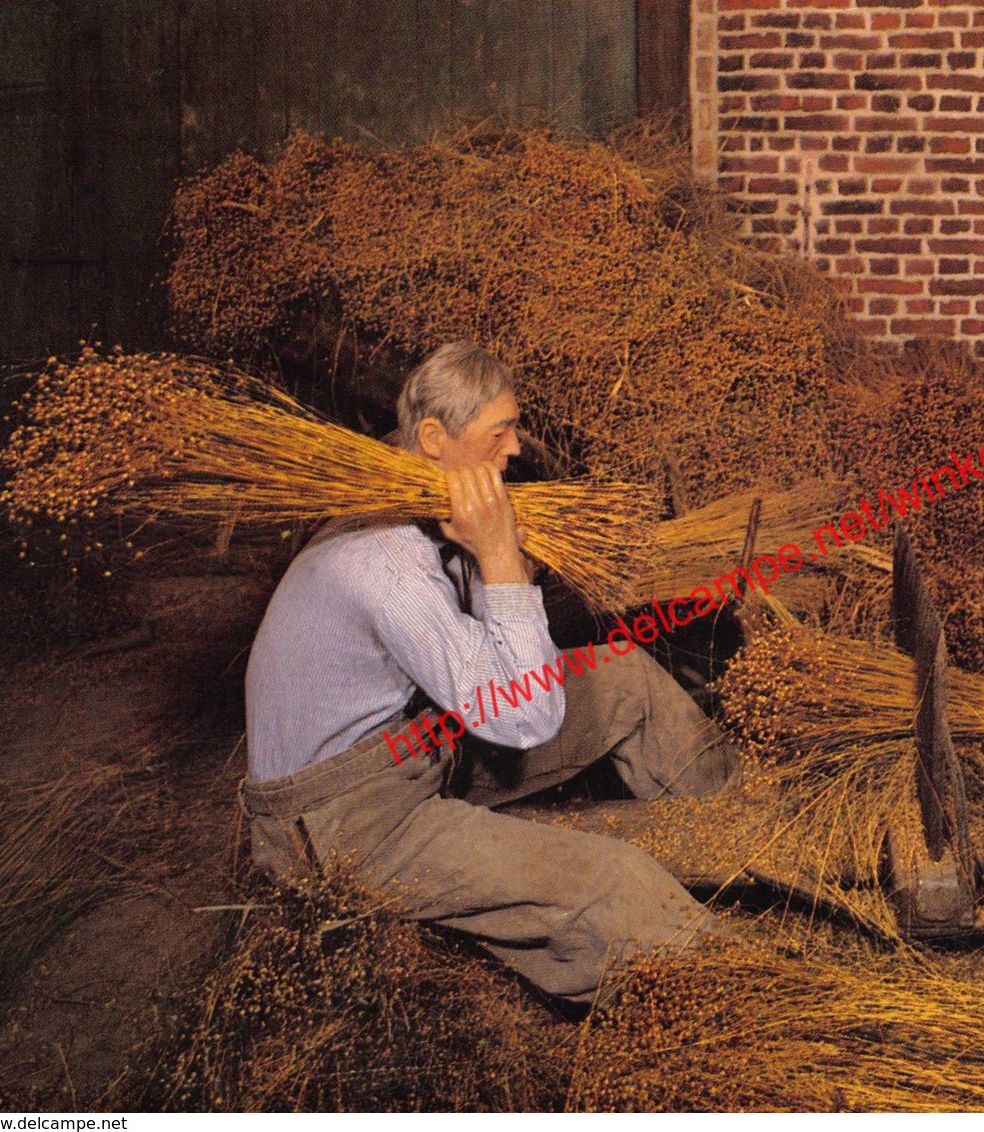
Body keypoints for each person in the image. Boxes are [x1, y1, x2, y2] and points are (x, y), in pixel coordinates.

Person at [241, 341, 736, 1005]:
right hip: (339, 820)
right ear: (434, 438)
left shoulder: (417, 499)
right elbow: (523, 712)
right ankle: (741, 999)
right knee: (615, 882)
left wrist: (494, 553)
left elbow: (486, 666)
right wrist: (503, 557)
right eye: (499, 431)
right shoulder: (388, 566)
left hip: (413, 750)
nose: (514, 449)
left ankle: (749, 821)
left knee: (622, 676)